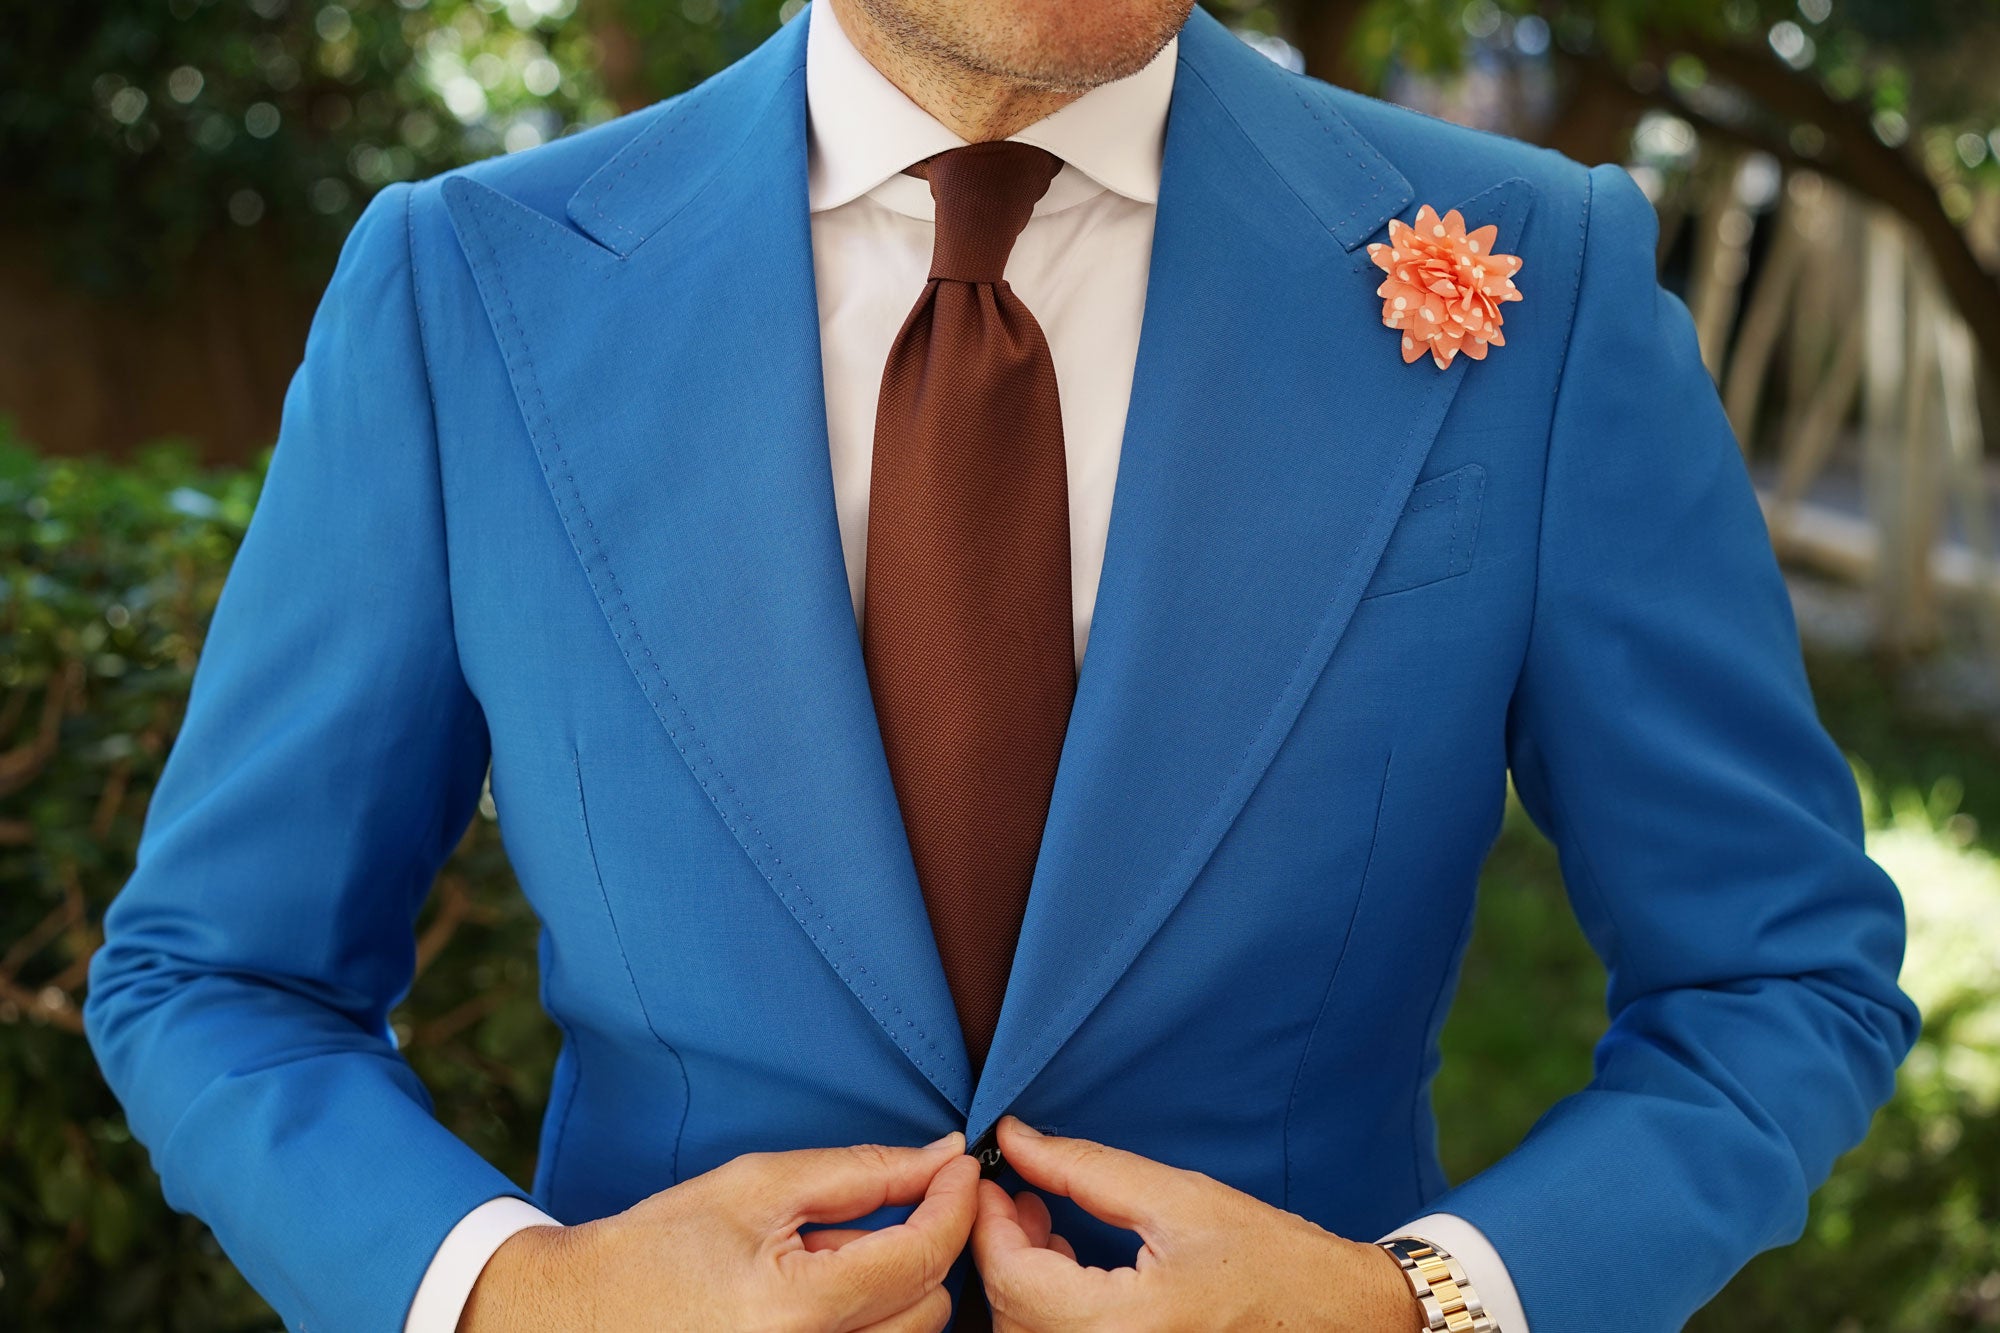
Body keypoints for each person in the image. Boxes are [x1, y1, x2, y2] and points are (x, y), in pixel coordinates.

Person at [83, 0, 1921, 1329]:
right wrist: (518, 1298)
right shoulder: (464, 288)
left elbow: (1780, 970)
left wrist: (1422, 1307)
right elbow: (219, 973)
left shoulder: (1542, 276)